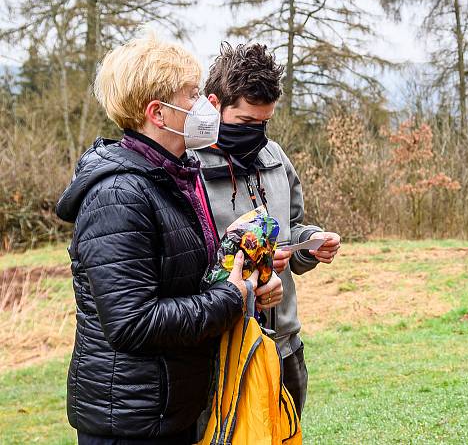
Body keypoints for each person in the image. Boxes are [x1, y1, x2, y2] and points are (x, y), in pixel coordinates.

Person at [55, 33, 282, 444]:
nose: (204, 106)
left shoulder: (176, 175)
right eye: (193, 95)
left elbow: (177, 277)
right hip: (132, 421)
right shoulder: (117, 195)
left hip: (175, 407)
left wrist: (240, 268)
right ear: (158, 113)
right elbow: (132, 322)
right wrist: (230, 299)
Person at [189, 42, 341, 419]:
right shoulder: (187, 169)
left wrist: (310, 245)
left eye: (264, 123)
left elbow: (292, 229)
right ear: (214, 104)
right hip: (223, 351)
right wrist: (253, 277)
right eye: (245, 123)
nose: (256, 134)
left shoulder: (276, 159)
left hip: (285, 347)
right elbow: (185, 262)